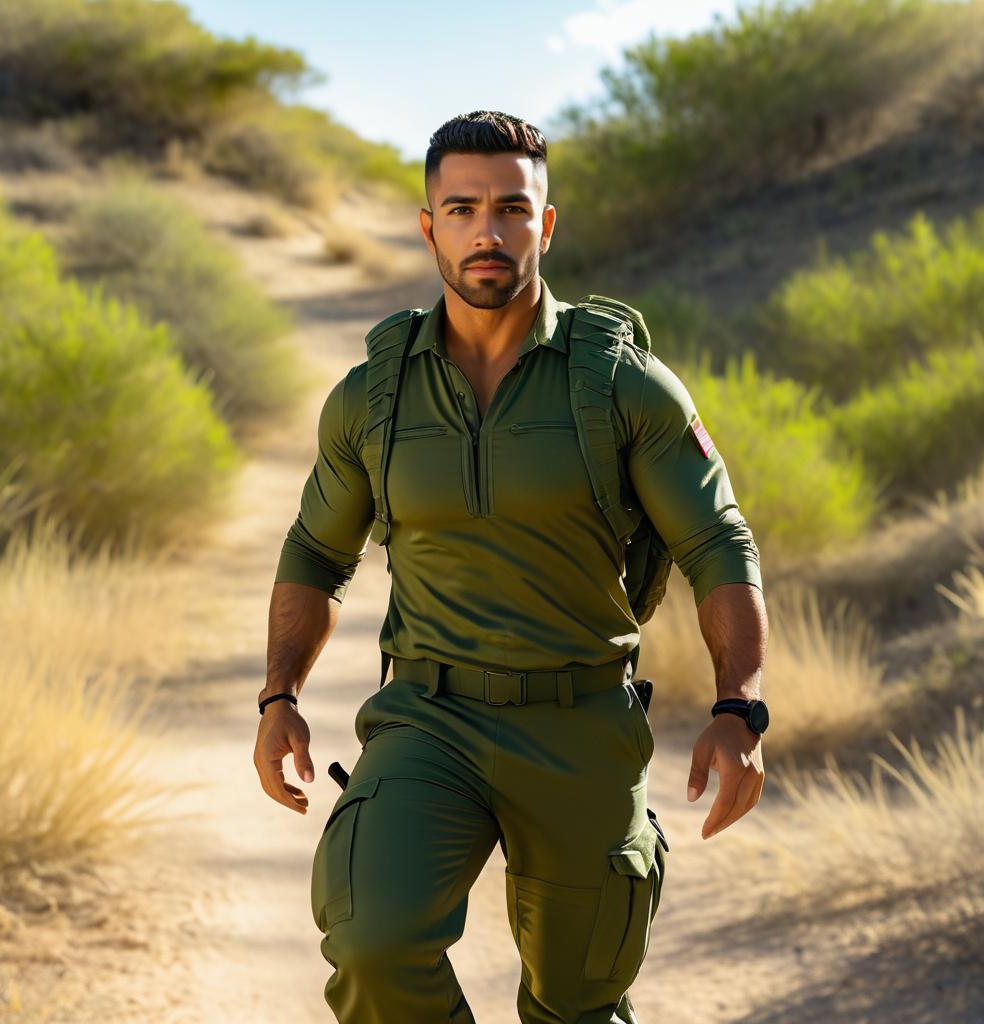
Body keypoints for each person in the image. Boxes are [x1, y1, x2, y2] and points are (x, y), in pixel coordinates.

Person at [253, 110, 769, 1024]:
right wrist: (278, 697)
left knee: (578, 1004)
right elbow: (317, 550)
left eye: (511, 210)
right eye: (461, 209)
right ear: (428, 225)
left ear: (547, 223)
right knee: (373, 943)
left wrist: (739, 706)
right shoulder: (374, 394)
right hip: (427, 719)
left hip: (579, 725)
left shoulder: (621, 384)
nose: (487, 232)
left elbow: (716, 540)